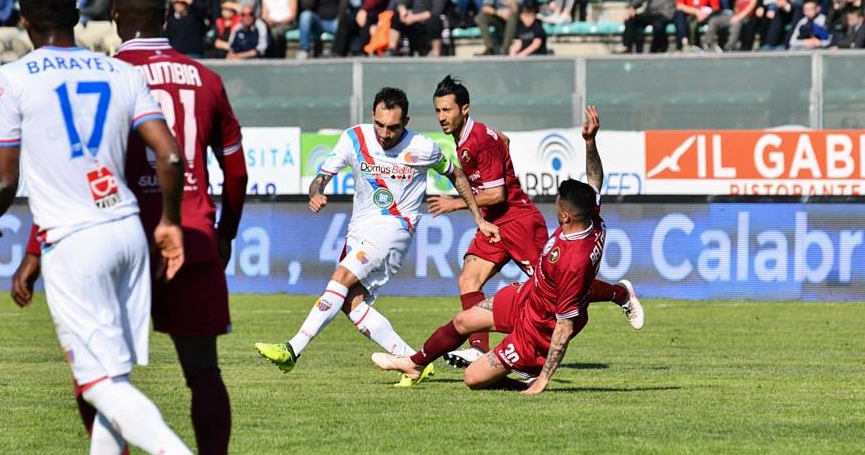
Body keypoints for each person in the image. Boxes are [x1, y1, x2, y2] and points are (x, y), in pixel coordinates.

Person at [0, 0, 230, 455]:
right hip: (127, 233)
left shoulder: (11, 78)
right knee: (111, 376)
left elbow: (4, 180)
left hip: (74, 241)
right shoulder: (119, 71)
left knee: (97, 385)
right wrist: (168, 221)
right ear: (77, 17)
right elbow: (170, 156)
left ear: (25, 21)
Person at [255, 87, 502, 385]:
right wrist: (316, 193)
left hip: (395, 230)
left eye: (393, 127)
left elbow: (456, 174)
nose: (385, 134)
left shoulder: (423, 148)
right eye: (380, 125)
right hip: (360, 229)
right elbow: (321, 178)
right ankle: (413, 361)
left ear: (406, 121)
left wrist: (477, 217)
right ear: (372, 115)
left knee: (340, 277)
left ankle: (292, 349)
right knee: (351, 302)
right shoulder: (354, 138)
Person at [374, 107, 619, 394]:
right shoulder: (591, 217)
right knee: (463, 320)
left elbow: (564, 327)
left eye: (557, 204)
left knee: (473, 378)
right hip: (526, 297)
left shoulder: (573, 260)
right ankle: (414, 364)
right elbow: (594, 179)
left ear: (565, 216)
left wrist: (544, 379)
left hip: (536, 331)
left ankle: (526, 379)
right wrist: (590, 141)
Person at [430, 77, 643, 368]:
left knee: (554, 285)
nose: (442, 117)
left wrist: (455, 203)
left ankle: (620, 293)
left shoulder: (477, 140)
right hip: (495, 221)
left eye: (447, 110)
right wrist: (502, 160)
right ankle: (478, 349)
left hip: (518, 221)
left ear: (464, 109)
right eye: (438, 110)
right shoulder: (470, 137)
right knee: (469, 279)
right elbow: (504, 140)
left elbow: (497, 194)